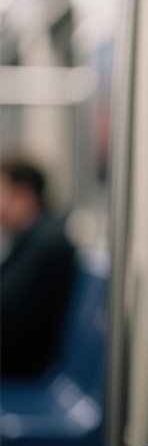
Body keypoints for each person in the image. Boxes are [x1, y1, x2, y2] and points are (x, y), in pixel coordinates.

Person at [0, 152, 76, 377]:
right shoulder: (31, 238)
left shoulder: (46, 244)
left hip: (22, 365)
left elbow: (6, 316)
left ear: (22, 195)